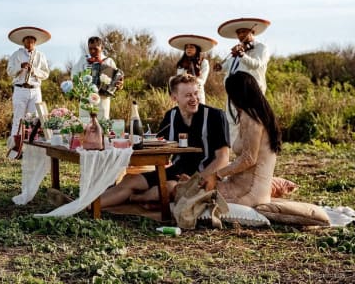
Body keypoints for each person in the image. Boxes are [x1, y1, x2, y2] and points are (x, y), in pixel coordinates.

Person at [98, 73, 230, 208]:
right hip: (175, 172)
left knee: (163, 189)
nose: (194, 99)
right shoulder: (171, 116)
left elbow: (223, 159)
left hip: (202, 175)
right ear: (174, 97)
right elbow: (156, 145)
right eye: (188, 95)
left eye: (196, 93)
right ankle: (89, 205)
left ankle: (137, 198)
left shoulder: (215, 116)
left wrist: (196, 180)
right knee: (130, 180)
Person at [199, 71, 281, 206]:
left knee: (195, 194)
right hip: (242, 185)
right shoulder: (258, 114)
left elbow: (248, 159)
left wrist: (216, 175)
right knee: (197, 186)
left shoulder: (251, 118)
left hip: (249, 192)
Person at [216, 17, 271, 144]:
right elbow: (230, 66)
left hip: (252, 91)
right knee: (232, 120)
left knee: (252, 120)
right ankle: (234, 150)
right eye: (239, 33)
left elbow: (256, 64)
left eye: (244, 32)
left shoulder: (261, 48)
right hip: (234, 91)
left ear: (252, 32)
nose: (241, 35)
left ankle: (252, 151)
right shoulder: (238, 50)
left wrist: (242, 55)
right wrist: (220, 67)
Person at [6, 26, 50, 154]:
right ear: (23, 41)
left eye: (32, 40)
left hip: (35, 90)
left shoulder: (40, 56)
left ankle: (32, 149)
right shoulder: (16, 54)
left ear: (35, 42)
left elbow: (46, 73)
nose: (29, 42)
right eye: (27, 40)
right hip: (20, 89)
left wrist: (35, 71)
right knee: (18, 119)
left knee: (35, 119)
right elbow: (9, 71)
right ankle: (15, 148)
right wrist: (20, 67)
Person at [71, 36, 123, 121]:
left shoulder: (109, 61)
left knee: (102, 125)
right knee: (85, 124)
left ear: (102, 48)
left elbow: (116, 81)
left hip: (102, 100)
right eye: (90, 49)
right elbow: (74, 76)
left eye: (95, 49)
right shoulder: (83, 60)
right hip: (86, 99)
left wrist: (119, 85)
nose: (92, 51)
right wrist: (79, 85)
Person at [169, 34, 217, 105]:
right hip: (183, 95)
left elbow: (202, 81)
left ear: (197, 49)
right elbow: (179, 78)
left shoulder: (204, 62)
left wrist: (190, 79)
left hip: (198, 94)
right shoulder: (181, 63)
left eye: (191, 47)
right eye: (187, 47)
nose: (188, 49)